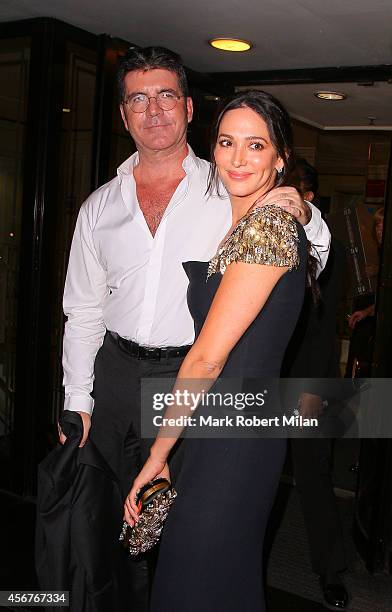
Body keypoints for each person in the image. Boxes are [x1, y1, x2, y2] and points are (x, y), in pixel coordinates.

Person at [60, 47, 330, 610]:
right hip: (116, 380)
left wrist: (302, 210)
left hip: (194, 384)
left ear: (186, 108)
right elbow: (82, 310)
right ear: (124, 114)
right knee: (111, 536)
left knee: (193, 549)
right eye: (139, 98)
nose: (153, 109)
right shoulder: (98, 207)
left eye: (165, 96)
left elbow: (309, 246)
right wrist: (78, 399)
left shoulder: (229, 188)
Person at [124, 90, 310, 612]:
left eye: (256, 145)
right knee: (215, 578)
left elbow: (206, 359)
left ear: (280, 158)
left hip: (235, 434)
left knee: (196, 578)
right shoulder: (241, 223)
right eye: (227, 142)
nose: (237, 157)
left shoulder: (267, 227)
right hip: (217, 423)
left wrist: (157, 456)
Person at [282, 158, 349, 609]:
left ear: (308, 198)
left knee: (313, 476)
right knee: (259, 477)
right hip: (265, 380)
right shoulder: (265, 241)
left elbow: (324, 327)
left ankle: (331, 572)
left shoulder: (332, 251)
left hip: (310, 384)